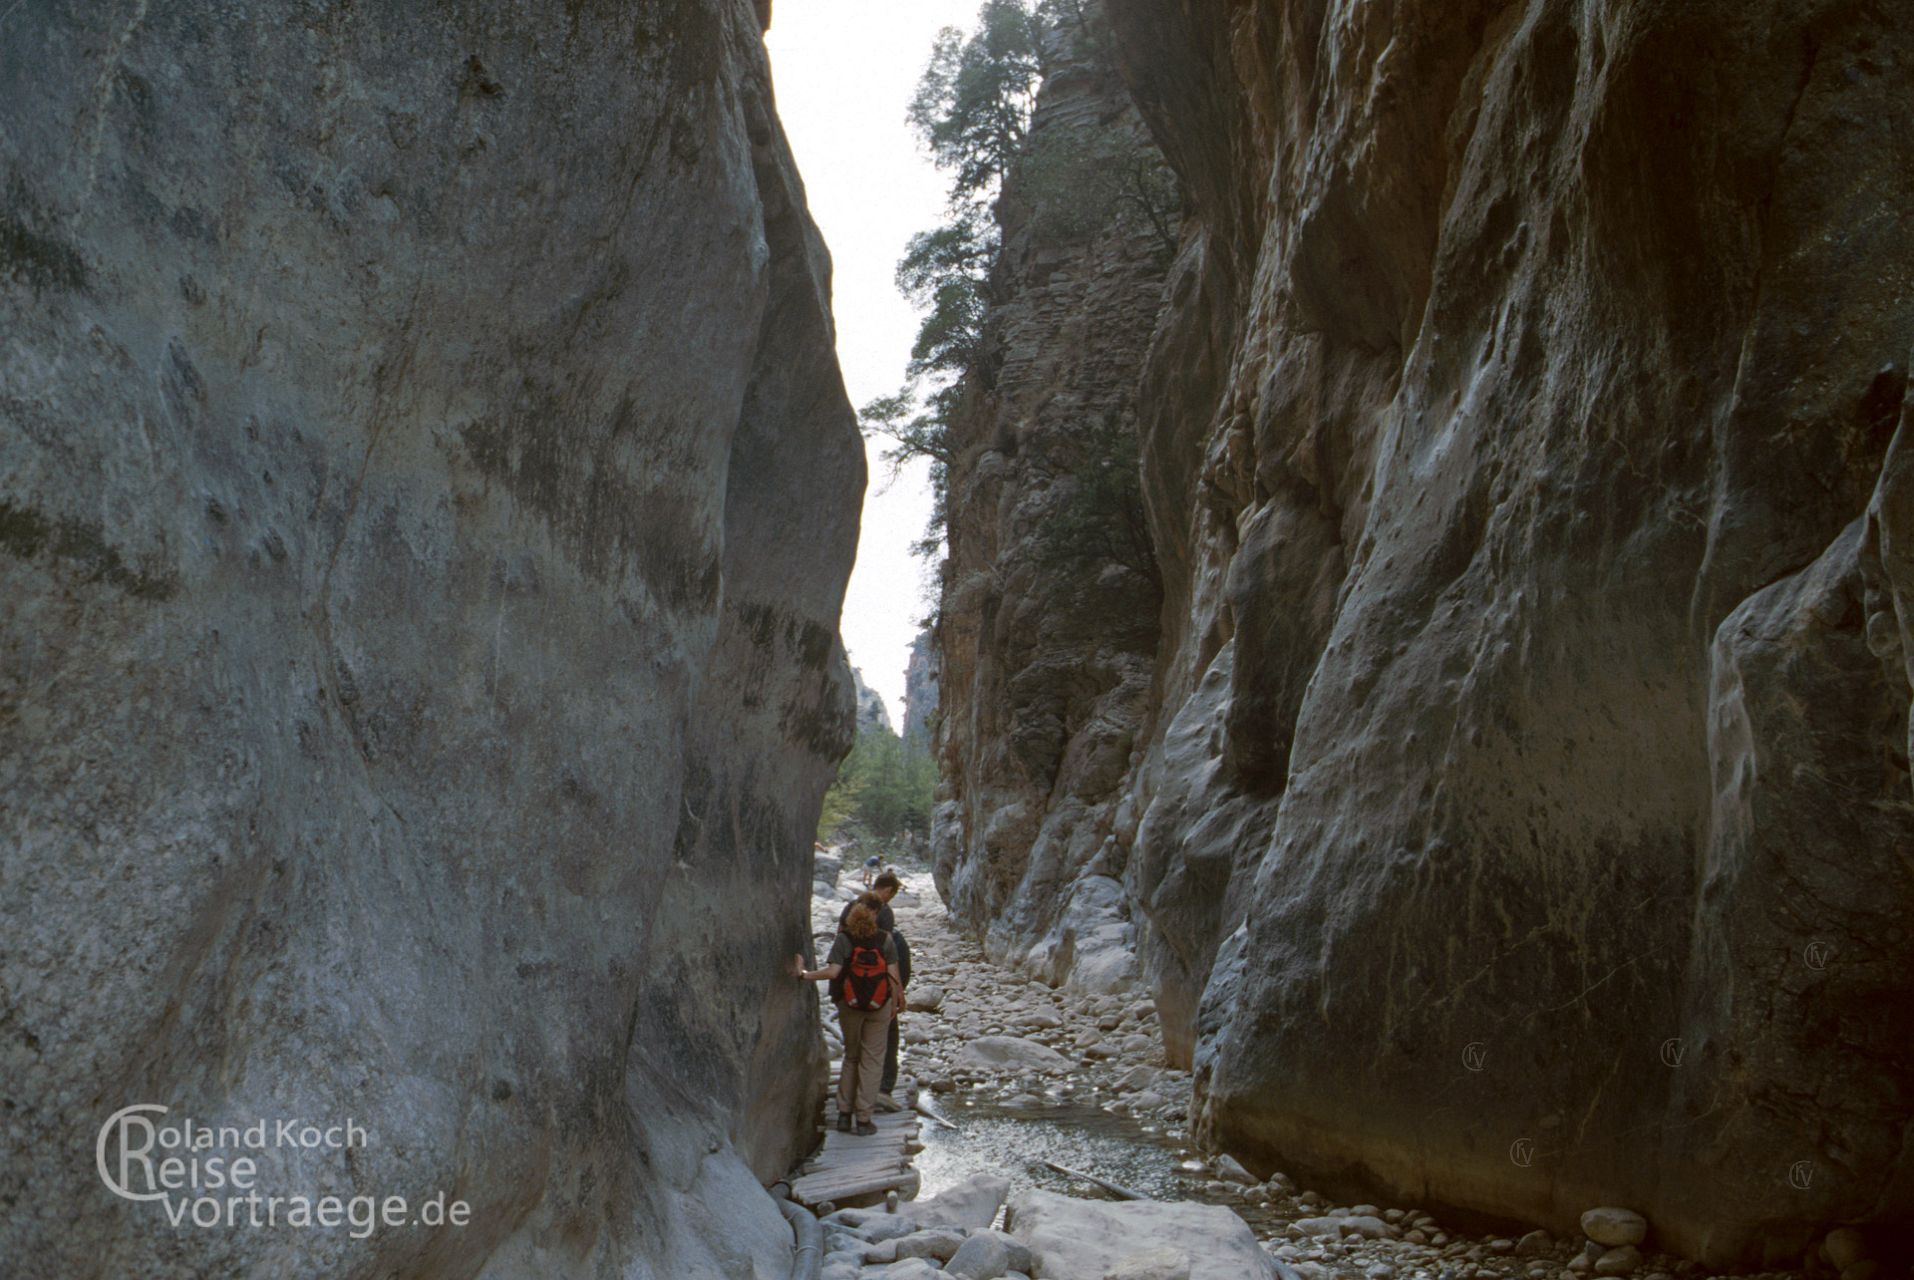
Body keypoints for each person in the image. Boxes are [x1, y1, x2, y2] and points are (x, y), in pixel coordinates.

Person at [794, 899, 902, 1136]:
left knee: (851, 1057)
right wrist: (896, 1003)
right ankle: (863, 1119)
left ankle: (844, 1114)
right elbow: (893, 975)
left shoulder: (844, 939)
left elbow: (833, 972)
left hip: (849, 1005)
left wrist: (803, 974)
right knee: (872, 1061)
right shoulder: (885, 939)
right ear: (874, 918)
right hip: (879, 1006)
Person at [839, 872, 910, 1109]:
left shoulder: (847, 917)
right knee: (884, 1043)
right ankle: (879, 1093)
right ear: (887, 892)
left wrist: (805, 975)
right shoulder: (885, 918)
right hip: (878, 994)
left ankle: (845, 1108)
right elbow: (892, 962)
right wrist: (897, 994)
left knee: (851, 1053)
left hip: (850, 993)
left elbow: (835, 966)